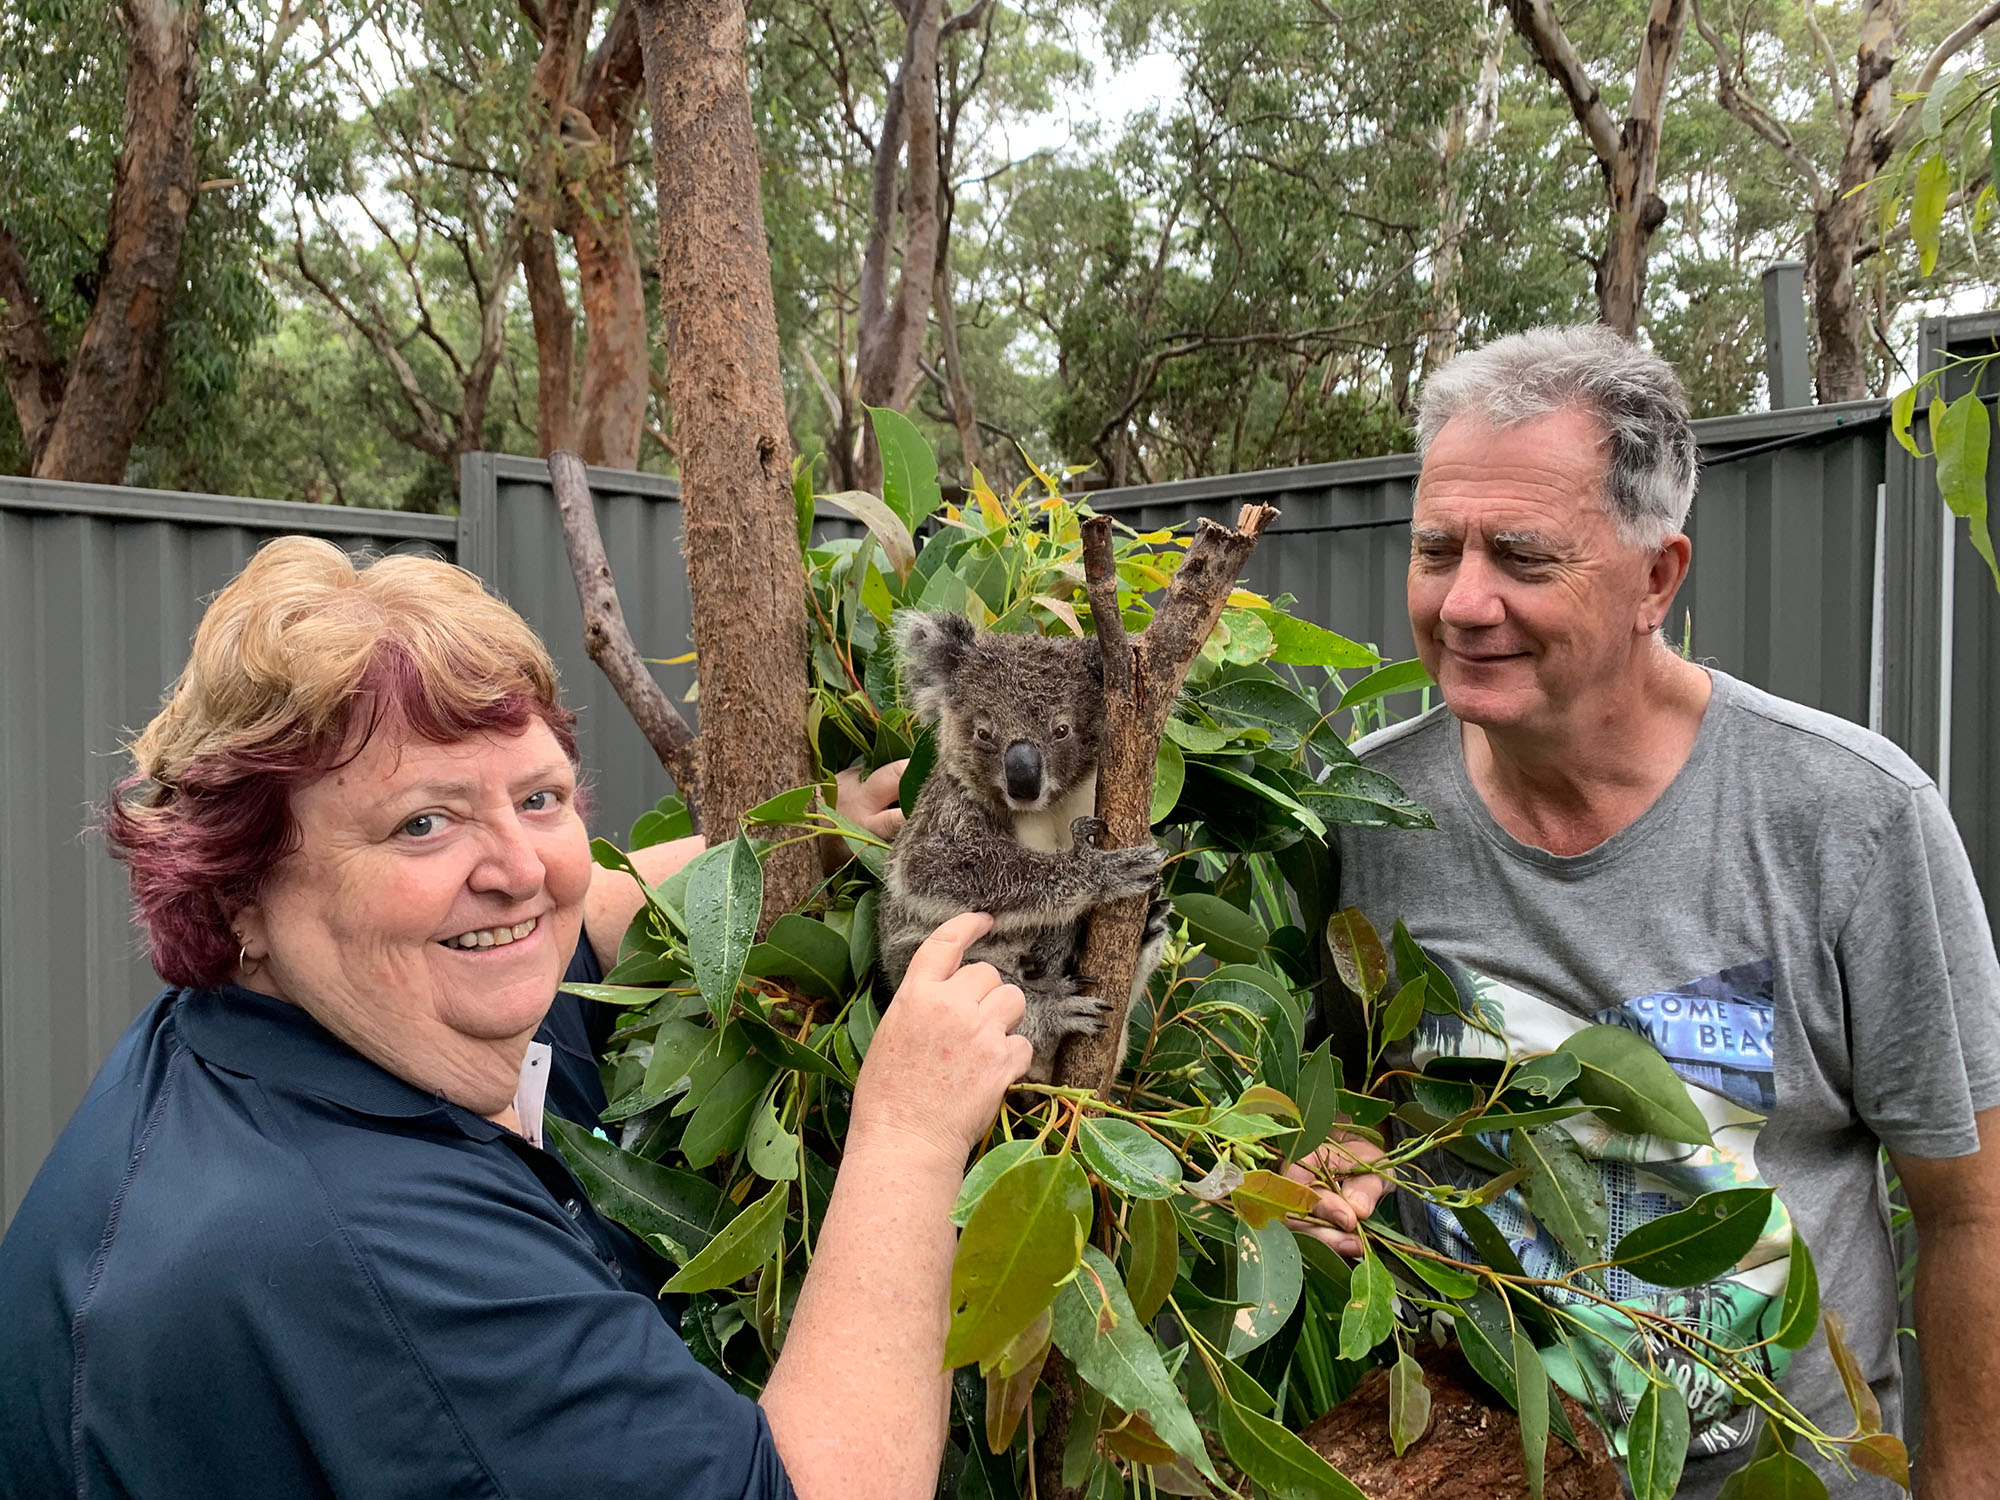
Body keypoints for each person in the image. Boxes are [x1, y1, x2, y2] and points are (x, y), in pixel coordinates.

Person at [0, 537, 1032, 1500]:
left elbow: (593, 905)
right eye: (424, 823)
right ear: (237, 891)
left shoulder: (298, 1025)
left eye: (538, 800)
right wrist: (909, 1127)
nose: (519, 871)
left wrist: (805, 842)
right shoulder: (372, 1257)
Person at [1306, 324, 2000, 1497]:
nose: (1462, 602)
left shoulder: (1848, 818)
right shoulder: (1359, 813)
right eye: (1436, 551)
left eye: (1521, 558)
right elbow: (1337, 1100)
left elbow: (1970, 1212)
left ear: (1655, 579)